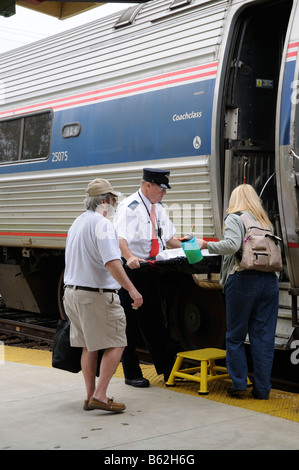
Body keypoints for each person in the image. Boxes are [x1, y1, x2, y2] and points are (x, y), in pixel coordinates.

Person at [63, 178, 143, 412]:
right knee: (118, 341)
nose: (115, 203)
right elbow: (112, 263)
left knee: (90, 345)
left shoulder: (77, 223)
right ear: (103, 201)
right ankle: (100, 395)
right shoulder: (103, 224)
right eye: (113, 198)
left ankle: (90, 396)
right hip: (96, 295)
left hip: (72, 294)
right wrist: (132, 289)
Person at [197, 184, 279, 400]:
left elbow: (232, 245)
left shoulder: (235, 218)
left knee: (235, 337)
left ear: (235, 200)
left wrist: (206, 244)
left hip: (243, 280)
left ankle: (239, 385)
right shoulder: (265, 221)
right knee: (263, 337)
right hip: (269, 281)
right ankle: (262, 390)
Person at [114, 168, 181, 387]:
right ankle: (131, 373)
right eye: (161, 188)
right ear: (147, 186)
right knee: (129, 324)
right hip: (132, 269)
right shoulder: (129, 207)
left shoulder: (158, 208)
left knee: (155, 321)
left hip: (151, 269)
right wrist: (130, 256)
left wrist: (192, 244)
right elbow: (120, 238)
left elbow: (170, 239)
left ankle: (166, 369)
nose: (164, 193)